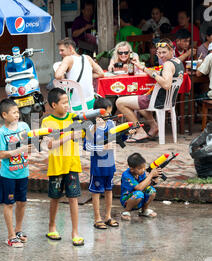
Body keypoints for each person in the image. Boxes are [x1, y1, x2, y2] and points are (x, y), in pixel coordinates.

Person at [116, 39, 184, 142]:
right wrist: (142, 68)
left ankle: (139, 131)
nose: (161, 56)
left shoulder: (167, 65)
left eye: (164, 52)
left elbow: (166, 85)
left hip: (157, 101)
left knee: (119, 102)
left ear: (172, 51)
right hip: (167, 101)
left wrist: (154, 74)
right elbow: (161, 74)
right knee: (138, 97)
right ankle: (154, 127)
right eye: (159, 53)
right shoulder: (178, 61)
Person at [41, 88, 84, 246]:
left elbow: (80, 135)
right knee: (55, 198)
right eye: (64, 103)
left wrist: (77, 134)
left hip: (72, 164)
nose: (67, 106)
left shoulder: (74, 118)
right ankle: (52, 226)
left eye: (68, 102)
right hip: (57, 165)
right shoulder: (47, 122)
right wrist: (68, 136)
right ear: (54, 105)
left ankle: (75, 232)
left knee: (74, 198)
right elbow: (50, 145)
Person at [0, 99, 32, 248]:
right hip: (8, 175)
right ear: (4, 115)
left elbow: (30, 146)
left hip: (23, 172)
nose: (17, 115)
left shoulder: (24, 126)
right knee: (9, 203)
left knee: (22, 202)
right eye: (14, 112)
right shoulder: (1, 133)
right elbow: (0, 154)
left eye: (18, 112)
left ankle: (18, 231)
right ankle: (10, 236)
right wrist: (18, 151)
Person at [84, 98, 120, 229]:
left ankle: (108, 216)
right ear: (98, 114)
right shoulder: (90, 127)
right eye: (107, 113)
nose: (109, 116)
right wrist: (101, 148)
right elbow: (87, 146)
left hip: (110, 164)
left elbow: (116, 138)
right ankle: (97, 217)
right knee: (96, 191)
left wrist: (126, 135)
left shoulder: (111, 124)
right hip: (97, 166)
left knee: (109, 190)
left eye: (110, 113)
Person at [55, 38, 104, 113]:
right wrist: (86, 76)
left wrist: (61, 69)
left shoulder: (68, 59)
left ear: (71, 48)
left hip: (75, 106)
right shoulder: (88, 58)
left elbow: (58, 76)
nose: (60, 53)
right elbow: (101, 73)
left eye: (62, 50)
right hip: (91, 103)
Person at [120, 153, 162, 221]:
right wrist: (150, 175)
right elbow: (139, 188)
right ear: (131, 169)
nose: (143, 170)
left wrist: (154, 180)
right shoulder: (126, 175)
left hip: (140, 198)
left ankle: (144, 210)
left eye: (144, 167)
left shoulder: (141, 173)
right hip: (127, 200)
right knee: (139, 194)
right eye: (140, 168)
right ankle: (126, 211)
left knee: (151, 190)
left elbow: (146, 185)